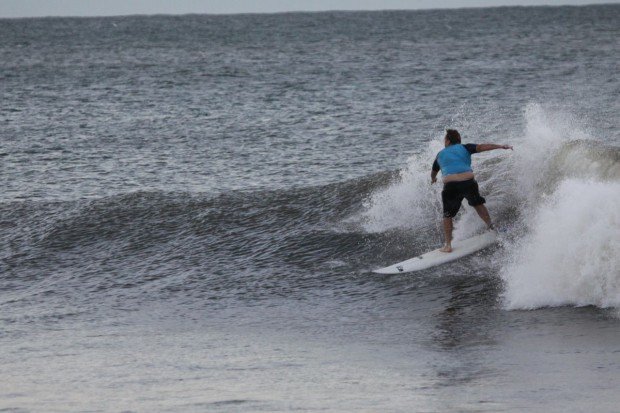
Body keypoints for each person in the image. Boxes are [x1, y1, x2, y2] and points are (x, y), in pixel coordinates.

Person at [430, 129, 513, 253]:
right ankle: (491, 228)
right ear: (458, 140)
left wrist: (433, 179)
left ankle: (448, 245)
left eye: (445, 140)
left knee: (447, 215)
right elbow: (483, 147)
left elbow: (434, 171)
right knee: (478, 204)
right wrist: (501, 146)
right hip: (468, 182)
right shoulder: (465, 148)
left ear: (447, 141)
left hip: (450, 186)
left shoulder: (440, 154)